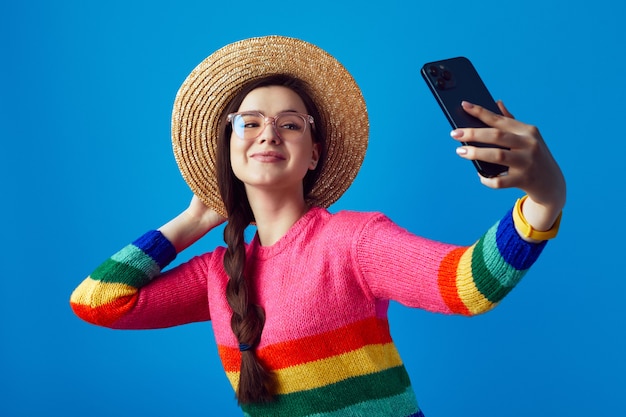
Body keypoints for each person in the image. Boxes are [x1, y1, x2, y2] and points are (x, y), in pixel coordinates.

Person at [70, 36, 566, 417]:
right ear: (229, 147)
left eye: (290, 124)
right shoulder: (214, 276)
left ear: (314, 154)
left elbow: (468, 285)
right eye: (250, 122)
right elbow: (98, 303)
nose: (269, 133)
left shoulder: (353, 241)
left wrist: (545, 197)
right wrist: (197, 217)